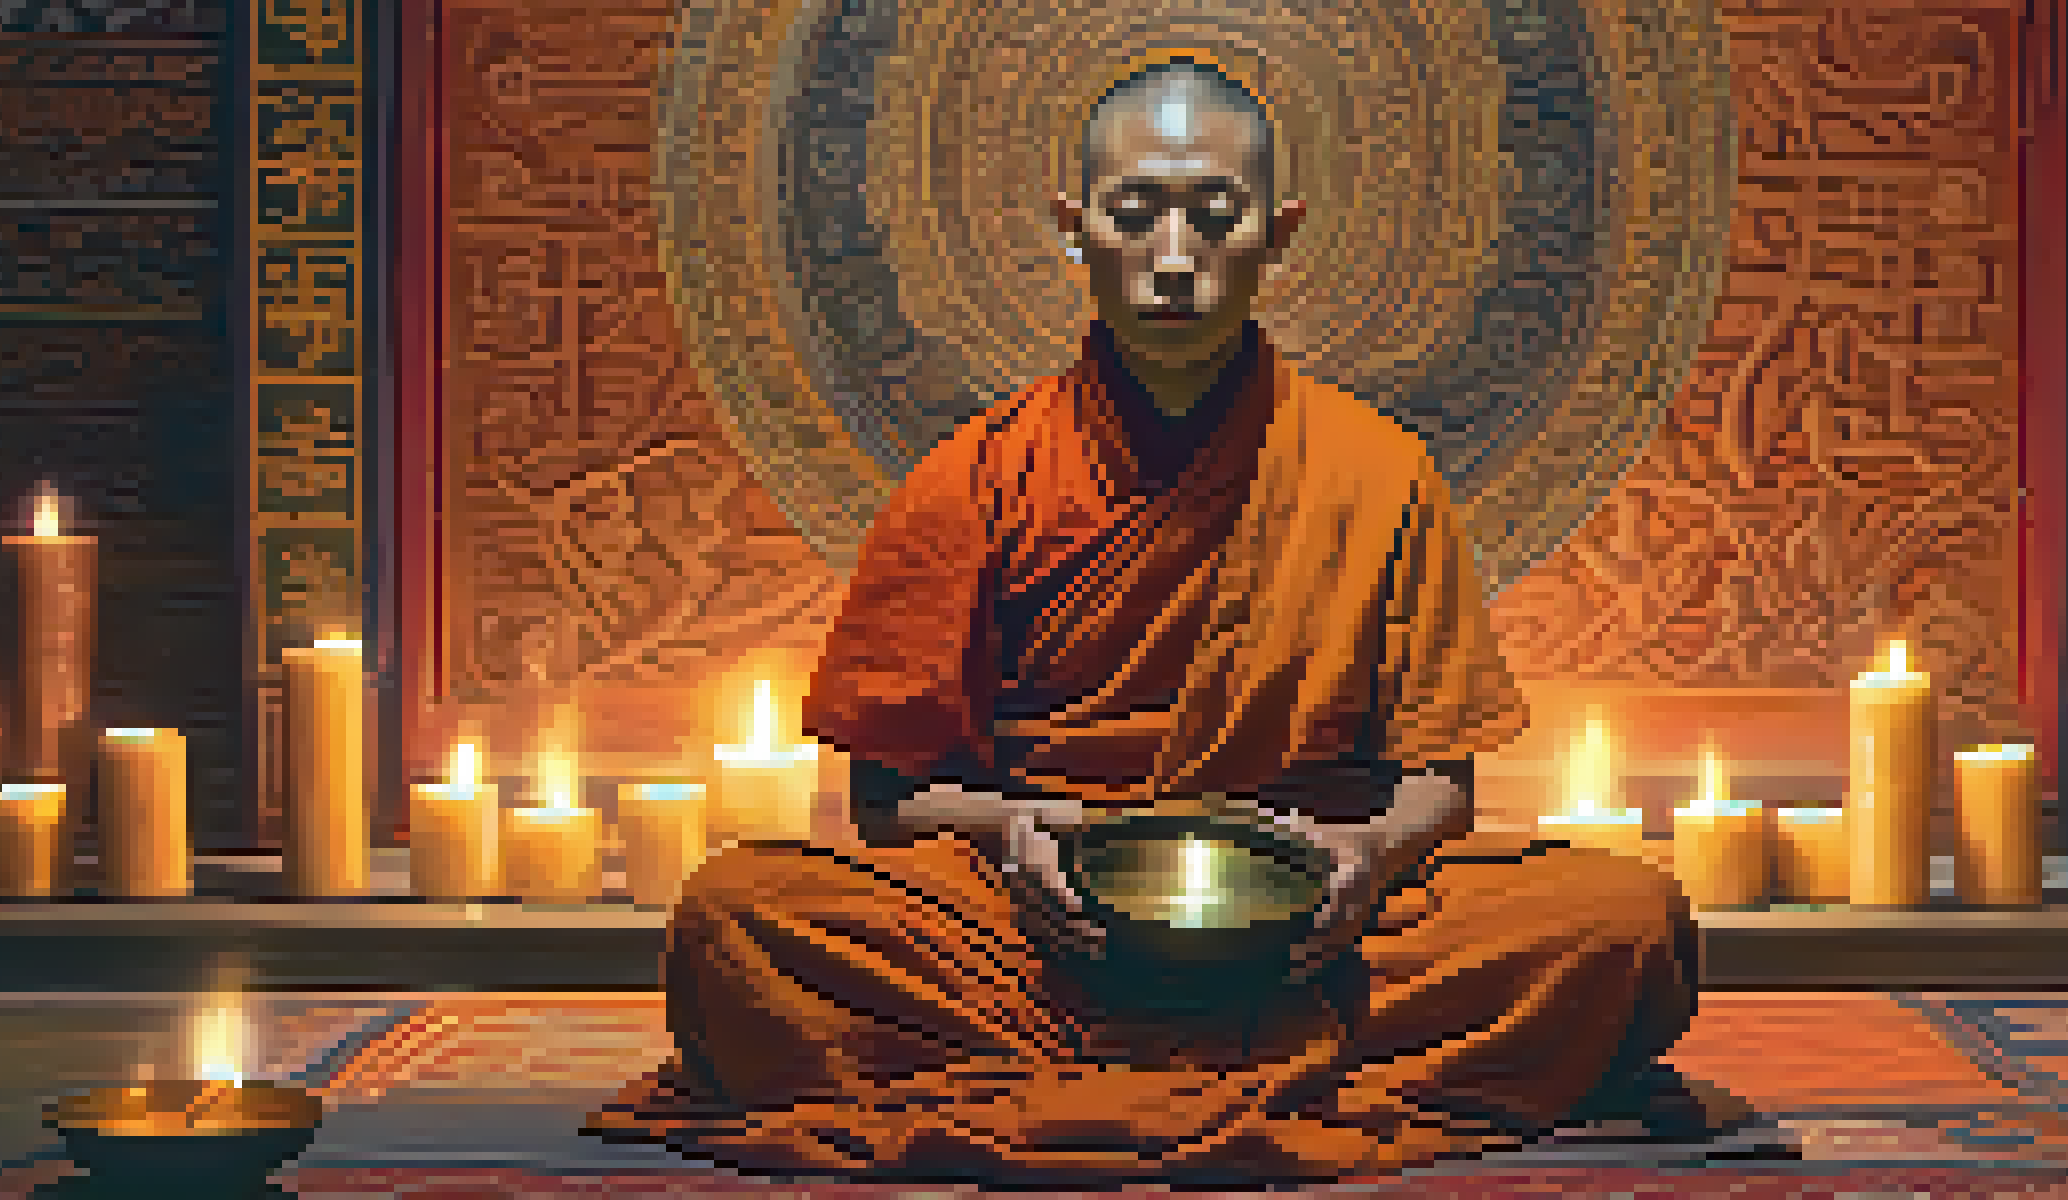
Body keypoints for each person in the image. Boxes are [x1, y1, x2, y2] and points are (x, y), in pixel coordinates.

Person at [589, 51, 1750, 1184]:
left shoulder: (1374, 471)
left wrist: (1364, 859)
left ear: (1278, 234)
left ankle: (1083, 1081)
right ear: (1074, 225)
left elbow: (1441, 781)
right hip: (1042, 926)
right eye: (1136, 213)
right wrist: (1012, 834)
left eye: (1216, 215)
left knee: (1623, 920)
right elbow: (886, 800)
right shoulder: (976, 476)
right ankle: (1223, 1070)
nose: (1176, 257)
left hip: (1309, 933)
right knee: (739, 918)